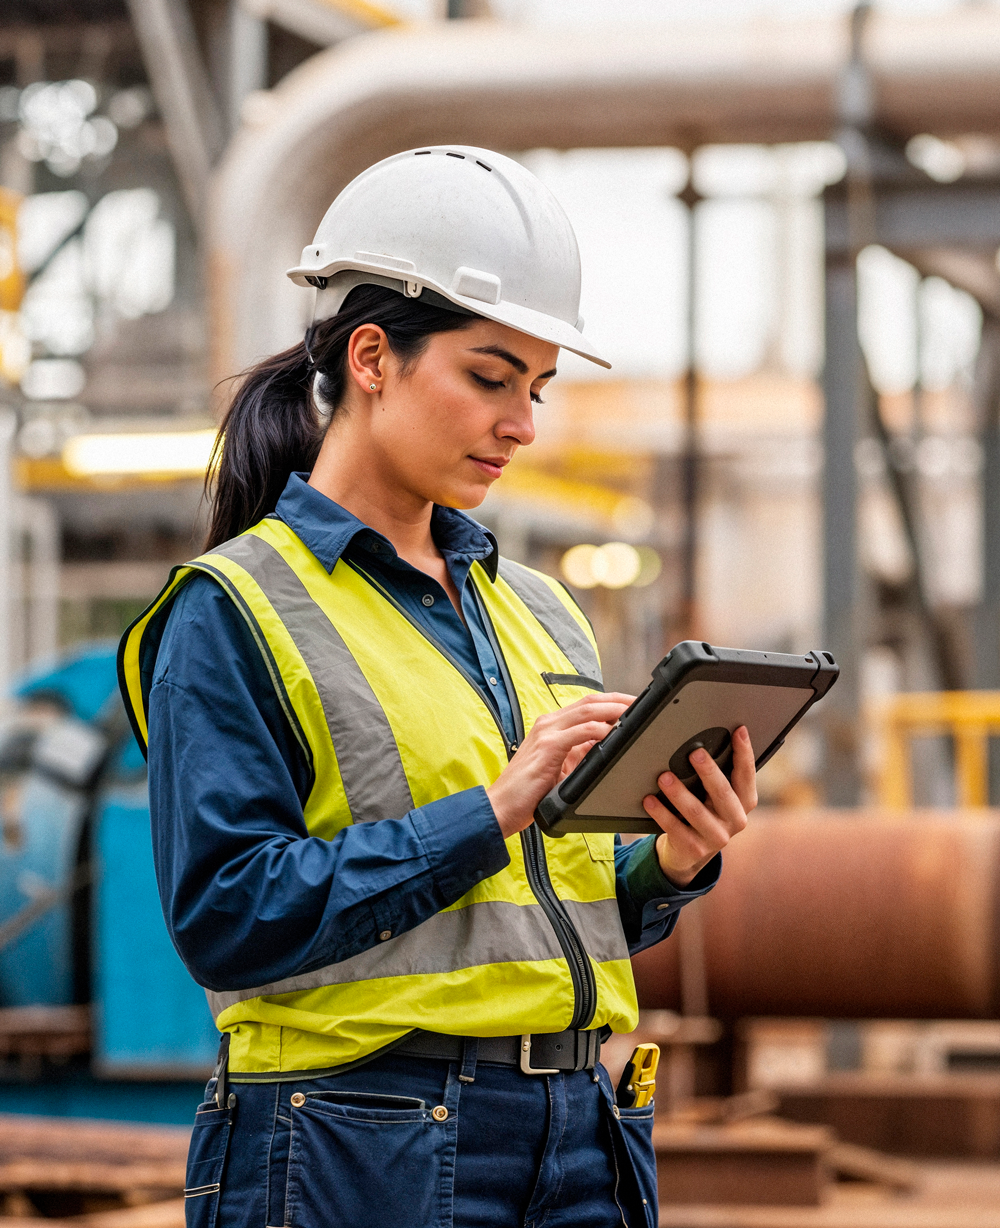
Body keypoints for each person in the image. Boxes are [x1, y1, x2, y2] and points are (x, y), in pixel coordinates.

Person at [118, 146, 757, 1228]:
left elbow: (554, 915)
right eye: (489, 377)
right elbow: (227, 913)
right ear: (372, 356)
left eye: (538, 388)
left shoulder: (539, 613)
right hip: (351, 1145)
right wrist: (495, 809)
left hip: (578, 1127)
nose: (523, 425)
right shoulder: (235, 608)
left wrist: (671, 863)